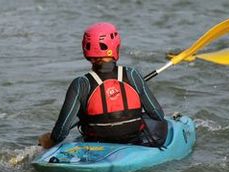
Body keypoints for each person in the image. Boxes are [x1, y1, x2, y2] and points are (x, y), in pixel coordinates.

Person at [38, 22, 167, 149]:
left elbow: (61, 132)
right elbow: (157, 115)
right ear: (116, 46)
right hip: (132, 142)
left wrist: (51, 139)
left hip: (96, 146)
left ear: (85, 49)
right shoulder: (132, 75)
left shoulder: (81, 84)